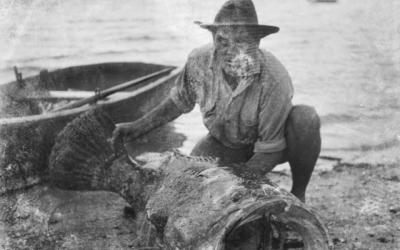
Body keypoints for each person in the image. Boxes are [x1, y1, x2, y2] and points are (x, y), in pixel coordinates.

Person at [111, 0, 321, 203]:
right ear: (213, 38)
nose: (231, 51)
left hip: (274, 149)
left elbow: (270, 150)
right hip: (225, 144)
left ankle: (298, 194)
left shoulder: (275, 79)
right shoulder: (198, 60)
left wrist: (234, 185)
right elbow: (178, 102)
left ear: (256, 42)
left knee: (306, 119)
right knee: (188, 183)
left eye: (241, 41)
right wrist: (136, 128)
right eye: (223, 41)